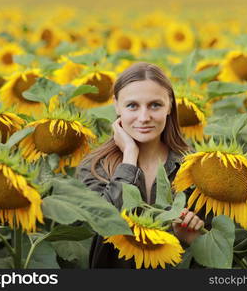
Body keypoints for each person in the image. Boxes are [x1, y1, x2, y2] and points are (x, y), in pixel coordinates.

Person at [76, 61, 205, 268]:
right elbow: (98, 224)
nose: (144, 117)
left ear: (170, 105)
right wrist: (129, 156)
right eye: (132, 105)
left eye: (155, 105)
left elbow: (210, 257)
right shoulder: (95, 167)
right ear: (116, 105)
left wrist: (188, 239)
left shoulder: (194, 169)